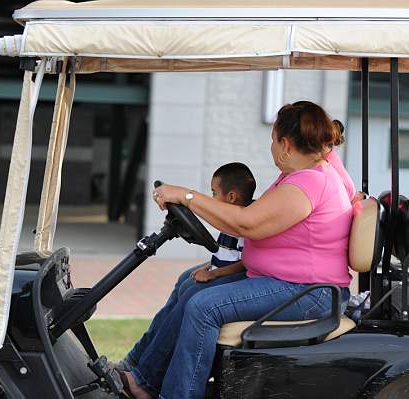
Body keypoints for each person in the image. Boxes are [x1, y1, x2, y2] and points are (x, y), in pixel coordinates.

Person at [123, 101, 354, 399]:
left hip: (308, 292)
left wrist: (187, 195)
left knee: (203, 307)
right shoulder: (312, 171)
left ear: (284, 143)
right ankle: (143, 376)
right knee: (189, 283)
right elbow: (342, 181)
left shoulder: (309, 182)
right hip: (283, 281)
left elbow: (247, 224)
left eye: (273, 140)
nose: (271, 147)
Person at [112, 163, 256, 395]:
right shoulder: (231, 218)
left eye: (213, 193)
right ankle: (136, 361)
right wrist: (211, 266)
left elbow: (245, 261)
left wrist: (214, 273)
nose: (211, 198)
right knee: (184, 281)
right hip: (227, 271)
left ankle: (145, 380)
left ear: (231, 196)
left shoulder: (243, 221)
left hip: (243, 277)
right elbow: (224, 255)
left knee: (192, 295)